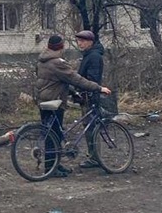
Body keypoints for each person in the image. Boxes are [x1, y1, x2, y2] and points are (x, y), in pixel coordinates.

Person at [36, 35, 112, 177]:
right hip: (55, 100)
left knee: (53, 133)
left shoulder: (42, 61)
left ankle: (55, 166)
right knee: (54, 135)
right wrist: (98, 88)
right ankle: (51, 168)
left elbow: (55, 81)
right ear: (61, 47)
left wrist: (71, 92)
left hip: (43, 100)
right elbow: (75, 78)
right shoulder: (57, 62)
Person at [74, 30, 105, 169]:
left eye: (83, 41)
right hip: (86, 96)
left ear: (90, 42)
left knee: (92, 128)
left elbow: (92, 78)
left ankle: (95, 158)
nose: (79, 43)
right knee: (89, 127)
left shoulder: (93, 57)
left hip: (90, 97)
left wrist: (83, 86)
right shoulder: (88, 55)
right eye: (78, 41)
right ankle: (93, 156)